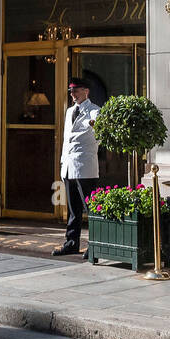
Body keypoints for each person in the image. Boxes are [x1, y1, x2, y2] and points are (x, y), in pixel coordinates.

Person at [54, 76, 100, 257]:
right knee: (74, 210)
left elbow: (99, 129)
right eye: (70, 90)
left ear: (86, 91)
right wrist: (62, 163)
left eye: (75, 90)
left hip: (85, 167)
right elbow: (67, 141)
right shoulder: (69, 111)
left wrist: (93, 123)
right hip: (69, 166)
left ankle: (94, 246)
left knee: (90, 210)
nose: (72, 93)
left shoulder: (94, 111)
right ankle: (71, 243)